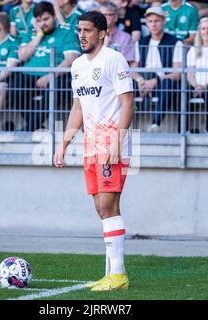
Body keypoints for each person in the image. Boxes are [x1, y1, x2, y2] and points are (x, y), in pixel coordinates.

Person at [53, 10, 134, 291]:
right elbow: (78, 108)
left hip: (112, 145)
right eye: (80, 30)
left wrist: (118, 141)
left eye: (88, 30)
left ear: (101, 33)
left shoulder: (114, 60)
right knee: (102, 210)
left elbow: (128, 103)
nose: (82, 35)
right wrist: (64, 142)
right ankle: (112, 272)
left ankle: (119, 275)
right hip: (91, 146)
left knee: (106, 206)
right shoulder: (77, 66)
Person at [14, 1, 80, 131]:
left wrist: (50, 75)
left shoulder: (66, 31)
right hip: (30, 75)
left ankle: (29, 129)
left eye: (46, 19)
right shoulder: (32, 33)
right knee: (14, 88)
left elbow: (71, 60)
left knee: (55, 89)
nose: (42, 23)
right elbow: (22, 56)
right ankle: (36, 126)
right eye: (39, 20)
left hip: (57, 76)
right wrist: (39, 35)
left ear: (54, 16)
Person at [131, 6, 183, 133]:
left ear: (164, 21)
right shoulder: (140, 42)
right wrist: (139, 80)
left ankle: (155, 124)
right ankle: (119, 127)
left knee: (168, 83)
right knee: (122, 83)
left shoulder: (176, 43)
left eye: (157, 21)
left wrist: (156, 81)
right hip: (143, 81)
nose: (153, 24)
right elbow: (132, 68)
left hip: (163, 83)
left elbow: (178, 73)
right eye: (150, 21)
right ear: (147, 23)